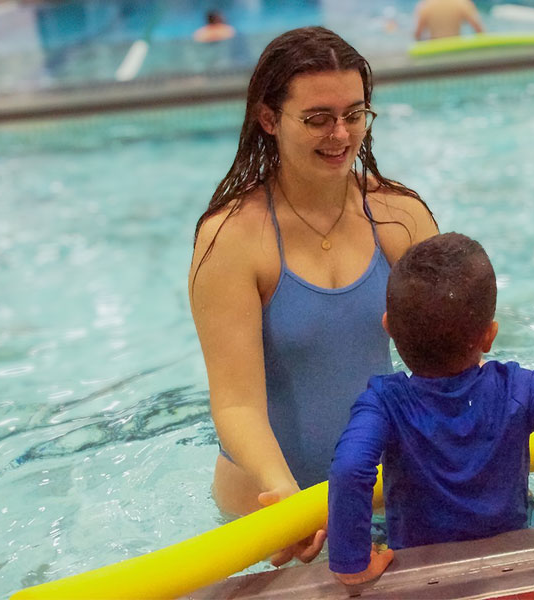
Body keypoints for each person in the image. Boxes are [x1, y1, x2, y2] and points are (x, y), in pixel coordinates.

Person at [188, 27, 439, 566]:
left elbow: (454, 357)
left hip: (376, 496)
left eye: (354, 114)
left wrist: (510, 433)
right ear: (269, 119)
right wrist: (289, 502)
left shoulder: (398, 216)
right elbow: (236, 403)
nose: (341, 134)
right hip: (264, 510)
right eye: (318, 118)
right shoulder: (233, 239)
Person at [327, 233, 534, 584]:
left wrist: (352, 563)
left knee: (375, 524)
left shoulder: (384, 402)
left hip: (419, 561)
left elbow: (349, 469)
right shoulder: (518, 388)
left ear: (388, 327)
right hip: (512, 554)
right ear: (490, 336)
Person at [414, 0, 484, 40]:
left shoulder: (425, 5)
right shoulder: (462, 3)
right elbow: (479, 30)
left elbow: (417, 35)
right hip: (455, 48)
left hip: (435, 50)